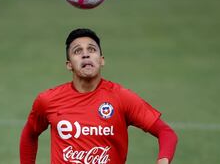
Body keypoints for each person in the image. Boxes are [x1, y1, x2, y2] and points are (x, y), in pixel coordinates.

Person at [20, 28, 178, 164]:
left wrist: (163, 160)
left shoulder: (121, 98)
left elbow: (166, 133)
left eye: (92, 50)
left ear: (101, 60)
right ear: (69, 64)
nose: (85, 55)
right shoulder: (48, 100)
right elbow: (29, 134)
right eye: (77, 51)